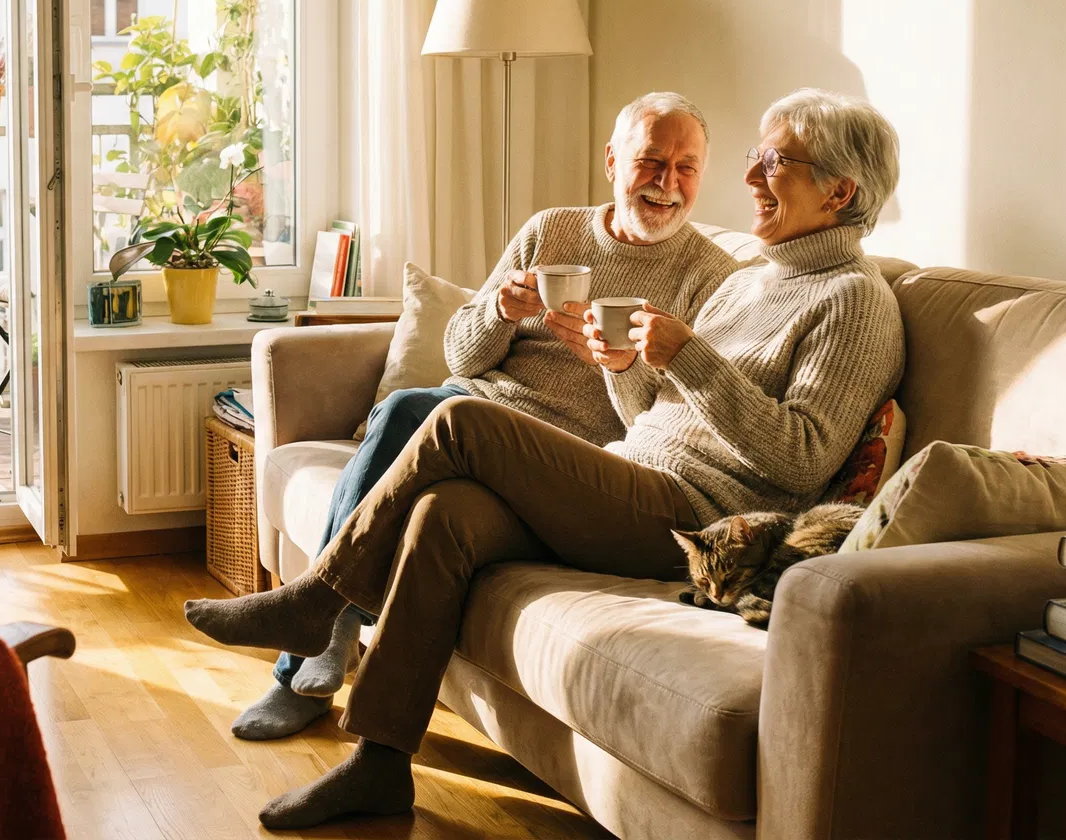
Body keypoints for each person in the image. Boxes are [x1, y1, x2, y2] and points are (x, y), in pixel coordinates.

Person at [185, 88, 907, 829]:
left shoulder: (854, 301)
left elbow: (799, 458)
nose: (751, 177)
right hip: (637, 472)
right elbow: (655, 416)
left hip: (699, 516)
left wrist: (688, 358)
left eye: (773, 161)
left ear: (839, 191)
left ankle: (315, 601)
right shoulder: (756, 279)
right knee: (445, 515)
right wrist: (622, 366)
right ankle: (379, 763)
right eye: (754, 157)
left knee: (455, 419)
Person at [232, 91, 739, 741]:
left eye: (686, 166)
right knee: (408, 416)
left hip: (564, 461)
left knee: (407, 410)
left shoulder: (713, 277)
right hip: (474, 412)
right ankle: (320, 651)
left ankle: (315, 631)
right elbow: (460, 355)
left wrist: (621, 367)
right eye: (650, 162)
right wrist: (499, 311)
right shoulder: (551, 230)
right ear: (612, 160)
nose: (668, 183)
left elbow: (673, 424)